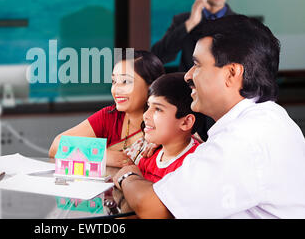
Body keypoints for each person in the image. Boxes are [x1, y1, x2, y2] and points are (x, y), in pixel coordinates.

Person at [113, 15, 305, 218]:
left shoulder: (243, 139)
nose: (188, 75)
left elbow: (152, 207)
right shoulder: (267, 120)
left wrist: (129, 175)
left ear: (231, 73)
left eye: (198, 65)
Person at [49, 50, 165, 167]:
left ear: (152, 86)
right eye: (114, 81)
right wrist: (103, 155)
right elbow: (56, 146)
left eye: (126, 81)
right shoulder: (110, 115)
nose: (116, 89)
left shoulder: (169, 124)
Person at [151, 0, 235, 72]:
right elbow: (157, 57)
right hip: (189, 87)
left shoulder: (240, 24)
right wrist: (191, 23)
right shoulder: (183, 21)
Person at [135, 72, 205, 184]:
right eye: (148, 106)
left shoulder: (193, 166)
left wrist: (127, 176)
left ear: (186, 122)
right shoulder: (148, 157)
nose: (145, 115)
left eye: (158, 109)